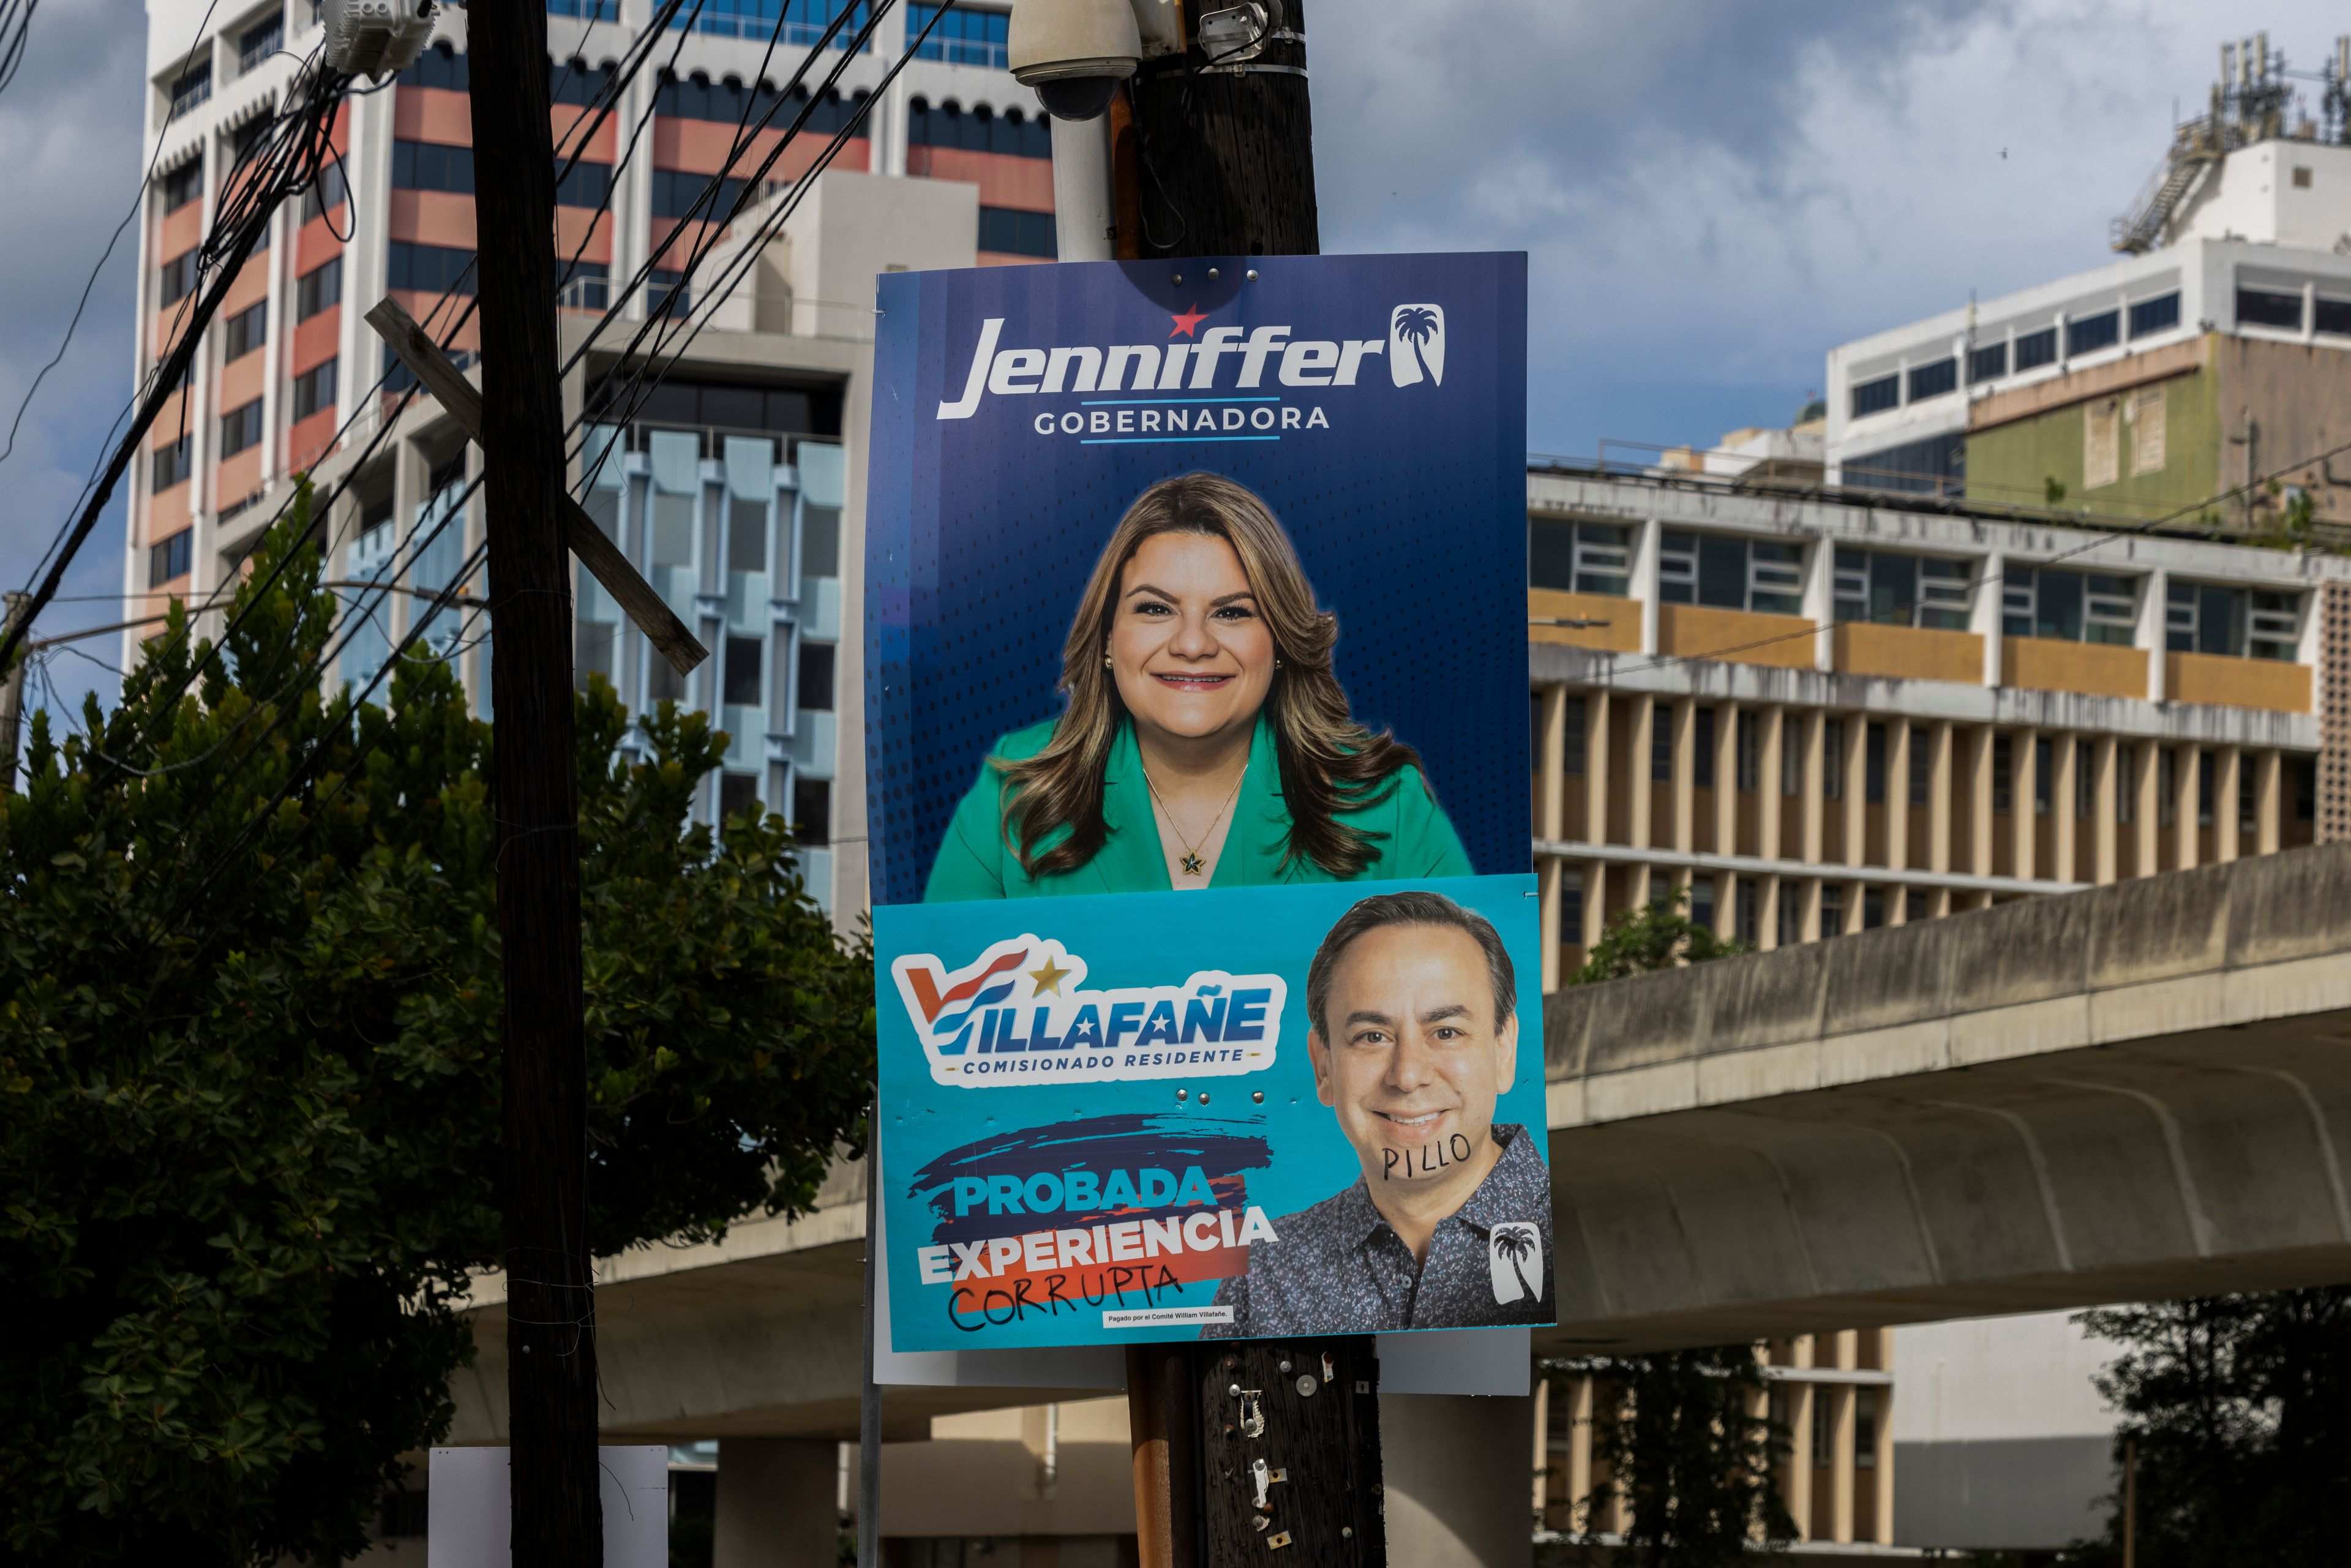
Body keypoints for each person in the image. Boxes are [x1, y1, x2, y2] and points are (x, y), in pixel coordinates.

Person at [923, 472, 1470, 901]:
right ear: (1109, 638)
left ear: (1278, 641)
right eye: (1156, 608)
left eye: (1232, 612)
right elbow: (934, 1023)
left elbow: (1471, 1011)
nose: (1192, 643)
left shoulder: (1387, 805)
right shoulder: (1015, 792)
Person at [1205, 890, 1552, 1336]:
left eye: (1446, 1031)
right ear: (1324, 1065)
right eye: (1372, 1036)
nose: (1407, 1075)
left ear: (1505, 1050)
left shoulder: (1574, 1229)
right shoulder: (1264, 1274)